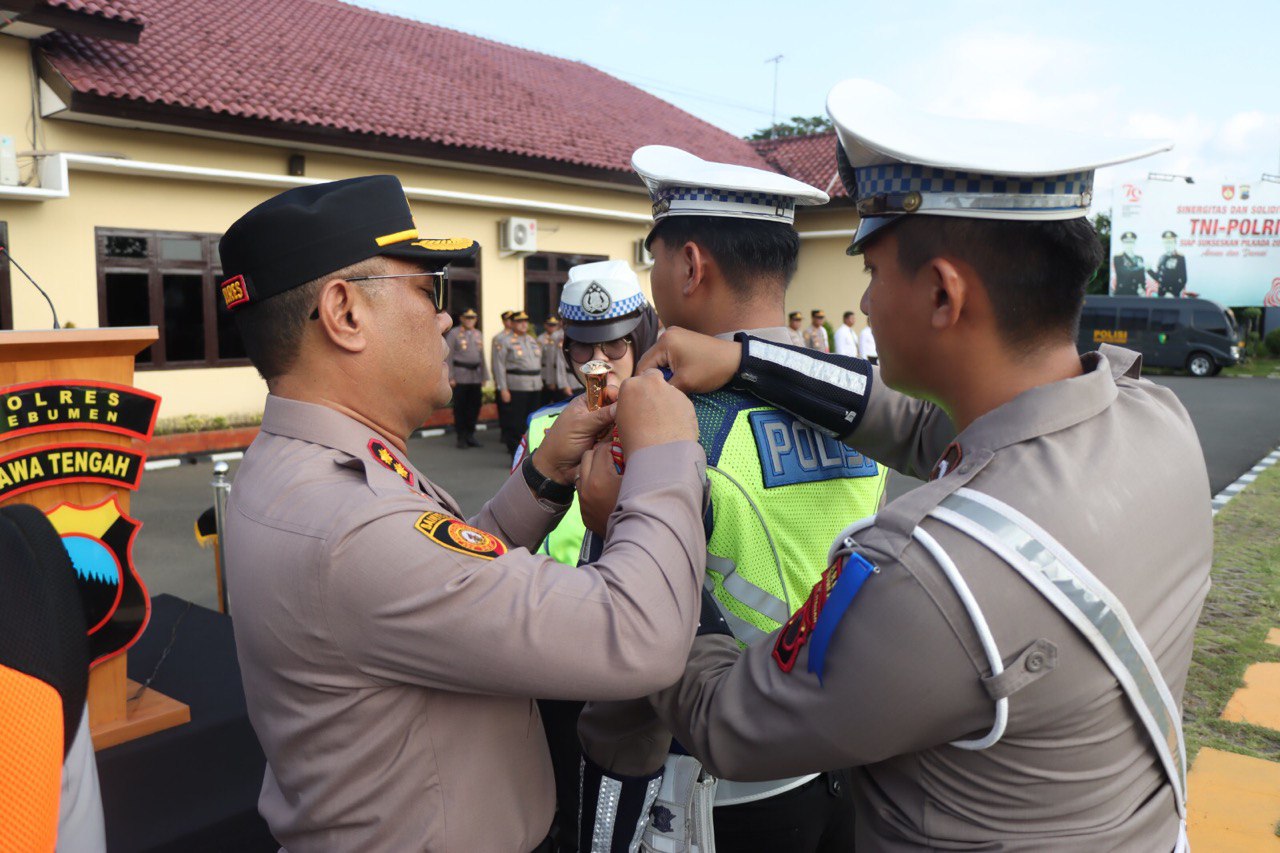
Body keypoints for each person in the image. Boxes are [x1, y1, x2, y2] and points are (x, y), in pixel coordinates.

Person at [623, 79, 1204, 851]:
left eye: (872, 270)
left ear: (940, 293)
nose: (863, 298)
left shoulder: (933, 571)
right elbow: (905, 423)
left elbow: (728, 720)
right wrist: (746, 358)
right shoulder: (1154, 421)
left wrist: (644, 527)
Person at [216, 175, 710, 852]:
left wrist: (544, 472)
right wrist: (665, 450)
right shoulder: (349, 522)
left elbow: (448, 576)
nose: (446, 317)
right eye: (428, 290)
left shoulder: (303, 465)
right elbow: (639, 635)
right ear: (344, 312)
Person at [577, 145, 889, 853]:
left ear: (691, 264)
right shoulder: (854, 401)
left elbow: (621, 643)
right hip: (840, 757)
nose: (653, 278)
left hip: (711, 784)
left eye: (653, 258)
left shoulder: (671, 421)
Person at [494, 310, 544, 453]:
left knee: (532, 422)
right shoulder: (505, 341)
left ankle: (529, 452)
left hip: (534, 386)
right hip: (517, 386)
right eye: (519, 321)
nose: (523, 324)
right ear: (513, 323)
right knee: (516, 423)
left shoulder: (531, 340)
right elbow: (499, 366)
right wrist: (503, 388)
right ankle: (515, 453)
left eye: (525, 321)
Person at [445, 307, 486, 448]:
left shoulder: (478, 334)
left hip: (475, 376)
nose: (470, 320)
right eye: (467, 318)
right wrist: (450, 376)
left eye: (473, 318)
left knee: (474, 406)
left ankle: (470, 434)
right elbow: (448, 356)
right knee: (461, 407)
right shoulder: (454, 334)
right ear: (462, 319)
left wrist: (484, 375)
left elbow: (482, 357)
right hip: (460, 375)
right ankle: (461, 436)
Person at [538, 314, 575, 406]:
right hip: (559, 378)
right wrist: (551, 381)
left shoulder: (575, 333)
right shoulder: (556, 337)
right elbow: (551, 361)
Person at [491, 309, 515, 446]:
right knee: (505, 409)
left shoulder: (518, 337)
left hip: (515, 379)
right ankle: (505, 433)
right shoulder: (499, 338)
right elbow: (497, 362)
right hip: (504, 377)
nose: (510, 323)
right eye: (508, 320)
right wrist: (498, 382)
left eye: (512, 320)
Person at [1111, 231, 1150, 296]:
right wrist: (1141, 267)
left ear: (1134, 243)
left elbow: (1142, 278)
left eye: (1131, 242)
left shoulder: (1139, 258)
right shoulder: (1118, 258)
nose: (1129, 245)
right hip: (1122, 293)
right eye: (1126, 242)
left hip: (1136, 293)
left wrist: (1142, 289)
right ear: (1123, 244)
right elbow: (1125, 272)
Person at [1152, 230, 1188, 297]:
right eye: (1166, 242)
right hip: (1161, 293)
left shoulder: (1179, 257)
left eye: (1170, 242)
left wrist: (1173, 292)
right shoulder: (1162, 258)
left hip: (1172, 295)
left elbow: (1183, 279)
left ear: (1175, 243)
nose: (1168, 245)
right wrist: (1149, 271)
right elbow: (1159, 278)